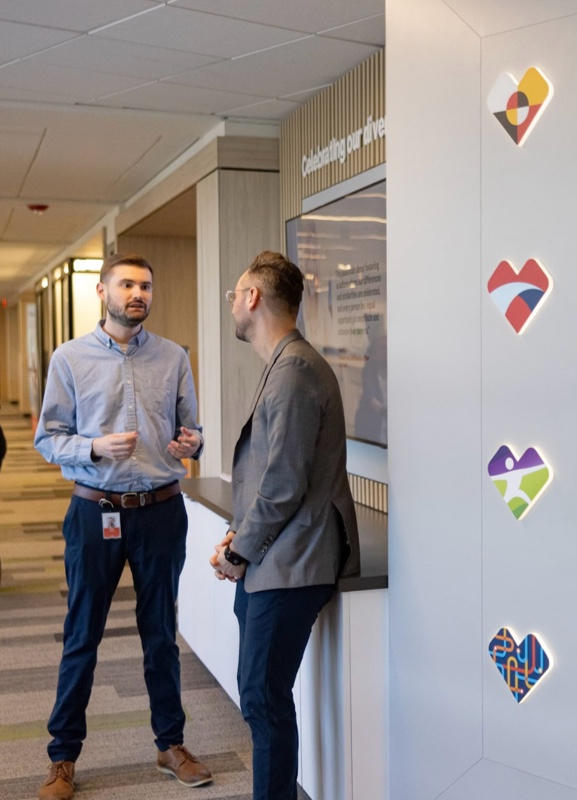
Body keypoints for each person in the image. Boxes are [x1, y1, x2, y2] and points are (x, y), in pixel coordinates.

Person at [33, 253, 212, 800]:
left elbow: (192, 429)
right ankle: (63, 758)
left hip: (160, 510)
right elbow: (48, 438)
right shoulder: (69, 358)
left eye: (146, 285)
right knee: (82, 634)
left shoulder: (175, 356)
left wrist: (191, 444)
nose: (139, 293)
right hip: (95, 511)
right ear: (103, 292)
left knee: (160, 633)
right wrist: (92, 446)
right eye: (128, 284)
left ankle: (170, 743)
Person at [211, 251, 360, 800]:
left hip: (292, 564)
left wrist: (237, 551)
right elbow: (270, 478)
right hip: (273, 560)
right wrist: (238, 540)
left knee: (263, 698)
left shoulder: (294, 370)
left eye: (235, 292)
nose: (232, 303)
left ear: (253, 297)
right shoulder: (283, 364)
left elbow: (284, 484)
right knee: (260, 696)